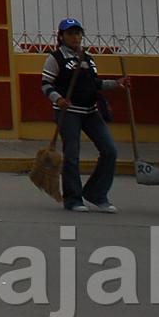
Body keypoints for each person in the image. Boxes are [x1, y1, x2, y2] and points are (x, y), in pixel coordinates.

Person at [41, 18, 122, 213]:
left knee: (110, 150)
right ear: (61, 36)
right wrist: (59, 99)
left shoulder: (88, 57)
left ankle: (96, 192)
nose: (75, 37)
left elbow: (95, 84)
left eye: (78, 33)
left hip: (91, 111)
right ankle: (73, 199)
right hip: (68, 113)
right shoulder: (55, 58)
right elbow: (46, 84)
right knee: (72, 155)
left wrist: (117, 84)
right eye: (70, 33)